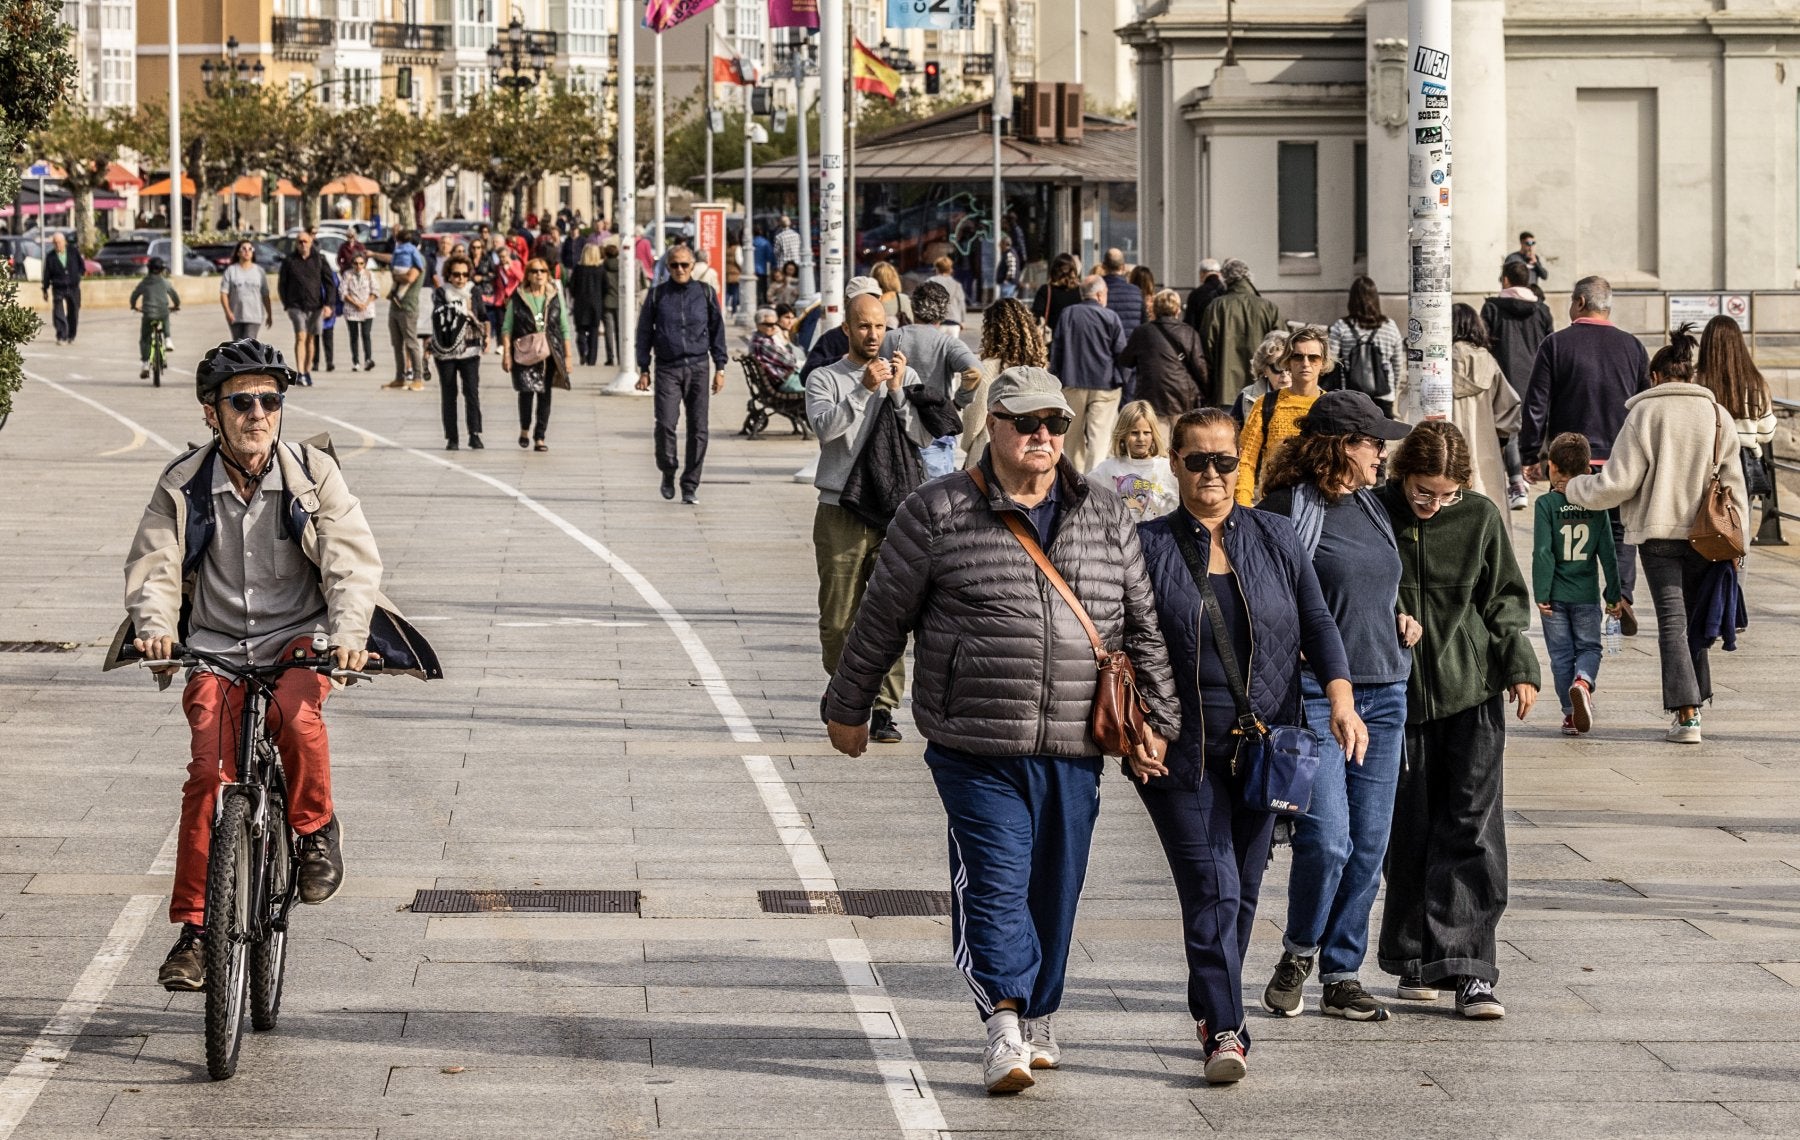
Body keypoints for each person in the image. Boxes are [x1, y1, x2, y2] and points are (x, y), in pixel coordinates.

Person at [824, 364, 1179, 1095]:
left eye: (1054, 422)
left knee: (1056, 884)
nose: (1044, 435)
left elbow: (1142, 628)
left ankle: (1041, 1011)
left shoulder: (1106, 514)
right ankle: (1003, 1024)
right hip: (976, 741)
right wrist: (850, 703)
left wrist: (1159, 722)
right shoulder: (938, 510)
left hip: (1077, 742)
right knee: (994, 881)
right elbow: (883, 612)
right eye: (1027, 423)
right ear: (996, 428)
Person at [118, 338, 437, 991]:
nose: (258, 413)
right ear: (213, 412)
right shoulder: (182, 483)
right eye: (241, 402)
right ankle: (197, 934)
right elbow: (154, 567)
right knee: (209, 773)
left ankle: (315, 826)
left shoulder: (312, 474)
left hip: (300, 636)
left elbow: (351, 561)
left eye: (269, 400)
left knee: (296, 714)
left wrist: (350, 636)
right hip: (215, 641)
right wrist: (154, 630)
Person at [1132, 406, 1364, 1083]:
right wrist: (1139, 721)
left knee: (1246, 885)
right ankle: (1227, 1029)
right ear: (1175, 463)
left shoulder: (1276, 536)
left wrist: (1342, 702)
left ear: (1244, 464)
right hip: (1179, 743)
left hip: (1267, 744)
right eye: (1197, 460)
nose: (1211, 473)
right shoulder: (1145, 544)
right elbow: (1120, 644)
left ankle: (1211, 1004)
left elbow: (1318, 624)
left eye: (1224, 460)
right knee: (1213, 883)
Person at [1254, 391, 1417, 1025]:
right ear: (1341, 446)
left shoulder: (1372, 508)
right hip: (1317, 699)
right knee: (1329, 839)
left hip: (1385, 691)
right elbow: (1266, 602)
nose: (1383, 452)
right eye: (1374, 442)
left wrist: (1400, 617)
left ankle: (1343, 971)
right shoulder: (1285, 512)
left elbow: (1374, 588)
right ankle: (1299, 952)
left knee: (1371, 844)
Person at [1376, 421, 1539, 1020]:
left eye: (1445, 494)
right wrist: (1391, 613)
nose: (1432, 504)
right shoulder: (1375, 512)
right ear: (1401, 475)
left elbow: (1504, 600)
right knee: (1408, 826)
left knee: (1471, 823)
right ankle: (1415, 958)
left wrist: (1520, 666)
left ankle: (1470, 968)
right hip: (1396, 693)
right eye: (1422, 491)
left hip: (1471, 692)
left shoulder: (1480, 517)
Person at [1564, 325, 1749, 746]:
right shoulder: (1718, 415)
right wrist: (1744, 546)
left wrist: (1573, 487)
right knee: (1695, 620)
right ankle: (1694, 703)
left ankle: (1687, 716)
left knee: (1672, 621)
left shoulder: (1645, 414)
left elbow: (1617, 484)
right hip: (1712, 536)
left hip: (1660, 535)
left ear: (1655, 377)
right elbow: (1736, 487)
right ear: (1691, 375)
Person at [806, 293, 935, 746]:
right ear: (848, 329)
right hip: (840, 507)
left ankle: (882, 708)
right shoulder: (826, 378)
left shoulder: (906, 374)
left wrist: (899, 392)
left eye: (880, 326)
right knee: (838, 619)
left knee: (891, 615)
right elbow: (826, 432)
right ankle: (844, 688)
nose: (873, 335)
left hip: (894, 508)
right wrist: (862, 388)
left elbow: (923, 437)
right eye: (864, 326)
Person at [1520, 275, 1650, 607]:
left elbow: (1536, 404)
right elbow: (1645, 405)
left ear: (1579, 302)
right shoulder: (1632, 346)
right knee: (1620, 532)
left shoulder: (1556, 344)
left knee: (1567, 531)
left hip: (1570, 463)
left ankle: (1572, 600)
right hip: (1621, 461)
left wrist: (1530, 454)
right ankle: (1621, 596)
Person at [1533, 432, 1622, 736]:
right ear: (1588, 471)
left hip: (1554, 597)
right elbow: (1608, 554)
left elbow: (1543, 552)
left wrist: (1541, 591)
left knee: (1560, 656)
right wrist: (1614, 595)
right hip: (1585, 595)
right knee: (1589, 648)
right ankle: (1583, 682)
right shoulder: (1598, 507)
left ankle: (1570, 714)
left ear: (1552, 467)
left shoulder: (1546, 504)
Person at [635, 246, 728, 501]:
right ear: (667, 267)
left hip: (699, 366)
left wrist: (720, 367)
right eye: (674, 265)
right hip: (667, 367)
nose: (680, 270)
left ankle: (690, 485)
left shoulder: (705, 293)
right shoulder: (657, 296)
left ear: (692, 266)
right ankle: (668, 469)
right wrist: (643, 367)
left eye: (684, 265)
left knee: (699, 429)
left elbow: (717, 330)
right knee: (665, 423)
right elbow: (644, 334)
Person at [885, 280, 982, 478]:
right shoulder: (947, 344)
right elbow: (974, 371)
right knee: (935, 501)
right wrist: (958, 402)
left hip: (894, 430)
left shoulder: (889, 339)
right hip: (935, 431)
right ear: (944, 312)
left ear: (913, 307)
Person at [1481, 261, 1554, 508]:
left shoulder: (1491, 309)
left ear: (1505, 281)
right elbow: (1549, 344)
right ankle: (1538, 471)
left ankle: (1516, 484)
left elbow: (1484, 345)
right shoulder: (1542, 310)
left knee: (1510, 431)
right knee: (1537, 425)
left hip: (1504, 378)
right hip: (1537, 379)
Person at [1236, 325, 1331, 505]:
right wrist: (1242, 505)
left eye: (1313, 357)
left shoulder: (1331, 407)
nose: (1305, 363)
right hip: (1273, 504)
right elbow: (1246, 460)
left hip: (1319, 507)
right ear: (1287, 361)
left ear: (1323, 363)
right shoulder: (1265, 404)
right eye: (1298, 356)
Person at [1050, 276, 1128, 472]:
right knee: (1099, 438)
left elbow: (1057, 350)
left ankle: (1076, 479)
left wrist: (1056, 379)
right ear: (1100, 294)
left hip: (1072, 382)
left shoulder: (1068, 314)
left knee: (1072, 438)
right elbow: (1121, 354)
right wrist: (1123, 379)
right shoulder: (1110, 317)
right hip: (1105, 385)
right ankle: (1095, 481)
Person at [1450, 303, 1521, 512]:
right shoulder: (1488, 361)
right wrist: (1500, 439)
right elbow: (1510, 407)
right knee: (1488, 508)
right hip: (1485, 448)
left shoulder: (1437, 361)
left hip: (1446, 448)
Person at [963, 297, 1048, 468]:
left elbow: (976, 417)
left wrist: (966, 445)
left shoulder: (989, 368)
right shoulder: (1040, 369)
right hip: (1031, 449)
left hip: (992, 450)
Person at [1695, 315, 1778, 485]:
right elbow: (1767, 432)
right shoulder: (1756, 383)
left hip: (1704, 461)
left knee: (1705, 511)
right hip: (1743, 463)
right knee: (1739, 512)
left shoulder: (1695, 380)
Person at [502, 258, 572, 452]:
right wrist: (506, 353)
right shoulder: (518, 297)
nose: (539, 274)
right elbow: (507, 327)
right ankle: (525, 428)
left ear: (547, 275)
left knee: (545, 394)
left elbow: (564, 327)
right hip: (525, 352)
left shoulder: (554, 297)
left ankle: (540, 436)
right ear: (528, 275)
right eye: (534, 271)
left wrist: (568, 356)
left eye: (542, 271)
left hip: (549, 352)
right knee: (526, 392)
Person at [1119, 288, 1208, 431]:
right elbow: (1200, 366)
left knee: (1158, 441)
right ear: (1177, 310)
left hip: (1151, 393)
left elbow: (1126, 360)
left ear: (1154, 308)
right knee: (1180, 440)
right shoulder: (1188, 332)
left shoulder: (1142, 331)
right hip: (1182, 395)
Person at [1200, 258, 1282, 406]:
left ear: (1225, 279)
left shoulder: (1216, 306)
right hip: (1263, 387)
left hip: (1226, 388)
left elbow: (1206, 349)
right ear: (1248, 277)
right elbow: (1282, 346)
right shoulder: (1268, 307)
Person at [428, 253, 489, 451]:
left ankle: (475, 434)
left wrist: (487, 336)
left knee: (471, 392)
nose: (460, 279)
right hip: (446, 351)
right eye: (456, 274)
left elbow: (483, 315)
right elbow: (437, 318)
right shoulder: (441, 293)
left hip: (470, 349)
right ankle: (452, 437)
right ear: (449, 275)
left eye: (464, 274)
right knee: (449, 394)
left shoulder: (474, 291)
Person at [1086, 400, 1179, 520]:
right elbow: (1083, 494)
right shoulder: (1108, 469)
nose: (1141, 438)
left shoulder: (1168, 469)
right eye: (1134, 433)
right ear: (1123, 434)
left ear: (1154, 434)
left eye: (1146, 433)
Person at [1326, 276, 1402, 416]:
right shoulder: (1390, 326)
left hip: (1351, 396)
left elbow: (1330, 361)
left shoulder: (1341, 326)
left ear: (1352, 300)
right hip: (1384, 396)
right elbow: (1397, 364)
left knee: (1352, 437)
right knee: (1380, 437)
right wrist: (1393, 391)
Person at [277, 230, 328, 386]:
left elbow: (329, 283)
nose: (303, 244)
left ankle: (307, 371)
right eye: (300, 242)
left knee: (311, 339)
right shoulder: (289, 261)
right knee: (301, 337)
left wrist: (329, 305)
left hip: (316, 306)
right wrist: (287, 304)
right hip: (296, 306)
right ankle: (299, 373)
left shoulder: (319, 259)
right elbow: (282, 284)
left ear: (311, 242)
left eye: (305, 241)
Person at [384, 232, 426, 390]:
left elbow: (410, 278)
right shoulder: (403, 257)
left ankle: (417, 377)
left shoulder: (418, 259)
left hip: (408, 306)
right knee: (397, 344)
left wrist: (396, 276)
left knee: (411, 343)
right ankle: (400, 377)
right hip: (395, 306)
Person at [1100, 249, 1145, 392]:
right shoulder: (1135, 292)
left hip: (1104, 356)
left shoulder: (1099, 291)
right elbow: (1144, 323)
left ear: (1103, 266)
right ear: (1123, 267)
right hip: (1130, 355)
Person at [130, 257, 181, 379]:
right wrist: (176, 305)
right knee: (165, 317)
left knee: (145, 338)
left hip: (147, 313)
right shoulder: (165, 282)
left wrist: (133, 306)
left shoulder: (144, 282)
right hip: (162, 312)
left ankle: (145, 364)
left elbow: (134, 295)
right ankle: (168, 339)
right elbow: (174, 295)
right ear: (162, 269)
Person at [1232, 330, 1292, 425]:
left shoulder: (1315, 397)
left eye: (1289, 366)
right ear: (1264, 369)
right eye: (1277, 366)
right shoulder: (1246, 397)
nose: (1285, 374)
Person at [219, 240, 270, 343]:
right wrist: (228, 312)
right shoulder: (231, 271)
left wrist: (270, 314)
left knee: (248, 344)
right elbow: (224, 293)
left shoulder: (259, 271)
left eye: (250, 249)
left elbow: (265, 294)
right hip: (236, 316)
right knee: (237, 345)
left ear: (253, 253)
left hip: (254, 316)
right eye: (243, 249)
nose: (247, 251)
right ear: (238, 253)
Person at [42, 230, 85, 344]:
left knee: (74, 311)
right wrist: (45, 289)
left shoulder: (73, 251)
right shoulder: (50, 256)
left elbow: (81, 265)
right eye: (55, 243)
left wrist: (78, 275)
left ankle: (71, 334)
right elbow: (47, 274)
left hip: (73, 286)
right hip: (58, 287)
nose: (58, 245)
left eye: (60, 242)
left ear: (64, 242)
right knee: (58, 312)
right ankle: (61, 335)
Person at [567, 242, 606, 368]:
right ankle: (591, 359)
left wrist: (575, 295)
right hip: (596, 303)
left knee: (581, 330)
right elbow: (606, 287)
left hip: (581, 303)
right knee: (594, 332)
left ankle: (582, 350)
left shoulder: (579, 269)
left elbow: (571, 286)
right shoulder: (600, 270)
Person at [749, 307, 804, 393]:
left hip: (783, 379)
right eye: (769, 325)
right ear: (758, 325)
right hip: (787, 381)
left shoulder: (756, 338)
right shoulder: (764, 343)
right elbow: (790, 361)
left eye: (775, 324)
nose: (773, 327)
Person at [1030, 253, 1084, 340]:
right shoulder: (1081, 290)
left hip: (1053, 340)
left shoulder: (1046, 290)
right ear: (1073, 271)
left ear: (1053, 271)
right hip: (1076, 339)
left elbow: (1035, 315)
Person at [340, 251, 377, 372]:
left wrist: (365, 304)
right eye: (356, 263)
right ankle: (355, 361)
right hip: (352, 309)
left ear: (365, 264)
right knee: (354, 336)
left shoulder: (369, 274)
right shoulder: (347, 274)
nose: (358, 266)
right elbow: (343, 292)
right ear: (352, 264)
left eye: (361, 263)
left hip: (367, 309)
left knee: (366, 334)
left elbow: (375, 291)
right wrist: (356, 304)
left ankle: (368, 359)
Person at [1183, 258, 1226, 338]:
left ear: (1202, 273)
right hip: (1223, 340)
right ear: (1219, 274)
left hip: (1202, 341)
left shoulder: (1196, 294)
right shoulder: (1226, 292)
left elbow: (1190, 324)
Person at [926, 254, 968, 327]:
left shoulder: (930, 281)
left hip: (936, 321)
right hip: (954, 320)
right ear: (950, 269)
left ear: (937, 268)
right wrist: (963, 320)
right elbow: (961, 303)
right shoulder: (957, 284)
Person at [871, 260, 912, 327]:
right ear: (894, 278)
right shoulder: (904, 299)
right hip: (901, 336)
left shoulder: (870, 302)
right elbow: (911, 323)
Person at [994, 236, 1020, 301]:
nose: (999, 247)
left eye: (1000, 244)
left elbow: (1011, 269)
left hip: (1008, 284)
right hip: (1008, 284)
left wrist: (1006, 280)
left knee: (1005, 303)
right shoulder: (1008, 253)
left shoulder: (1009, 254)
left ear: (1005, 244)